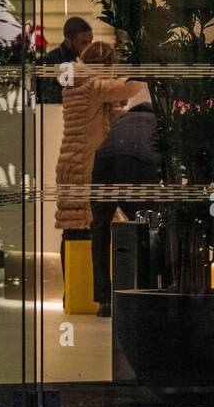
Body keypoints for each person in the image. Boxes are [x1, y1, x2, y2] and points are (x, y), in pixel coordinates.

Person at [55, 41, 146, 288]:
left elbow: (98, 116)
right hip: (87, 162)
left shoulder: (78, 82)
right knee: (91, 224)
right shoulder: (92, 84)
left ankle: (74, 290)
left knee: (74, 226)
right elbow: (128, 87)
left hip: (72, 159)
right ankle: (95, 289)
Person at [90, 85, 163, 316]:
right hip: (139, 162)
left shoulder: (124, 120)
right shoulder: (158, 122)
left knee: (100, 228)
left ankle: (104, 300)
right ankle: (145, 291)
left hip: (104, 159)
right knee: (147, 227)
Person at [36, 16, 93, 104]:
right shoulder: (50, 61)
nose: (89, 47)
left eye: (90, 41)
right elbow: (51, 98)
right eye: (83, 43)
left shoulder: (90, 58)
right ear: (68, 40)